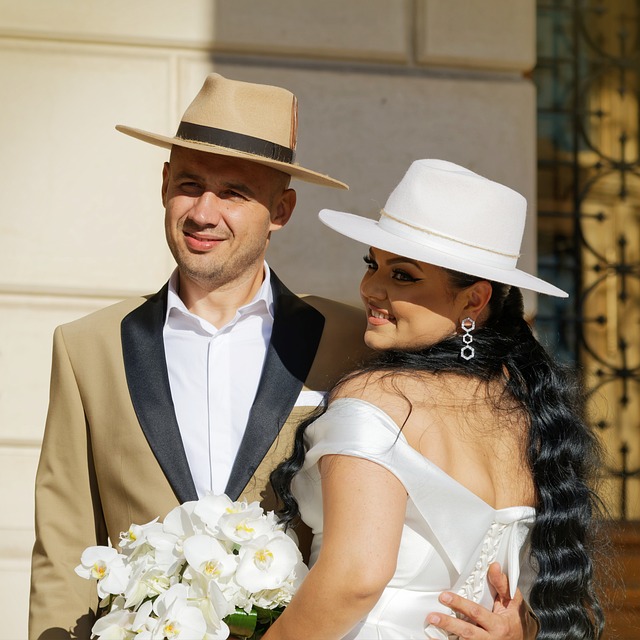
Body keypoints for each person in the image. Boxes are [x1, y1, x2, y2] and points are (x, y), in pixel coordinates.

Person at [28, 73, 532, 640]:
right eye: (189, 184)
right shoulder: (86, 346)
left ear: (281, 209)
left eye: (235, 193)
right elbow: (63, 551)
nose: (202, 211)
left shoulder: (354, 343)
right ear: (164, 183)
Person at [266, 159, 605, 640]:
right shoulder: (528, 412)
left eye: (403, 275)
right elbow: (537, 595)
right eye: (372, 263)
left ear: (473, 300)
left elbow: (355, 581)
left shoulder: (376, 398)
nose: (370, 288)